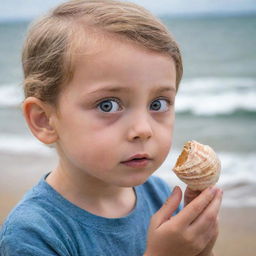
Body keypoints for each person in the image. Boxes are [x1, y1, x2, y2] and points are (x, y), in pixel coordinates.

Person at [0, 0, 222, 255]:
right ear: (44, 120)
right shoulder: (33, 234)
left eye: (158, 103)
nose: (143, 129)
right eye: (108, 105)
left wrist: (201, 248)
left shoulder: (160, 195)